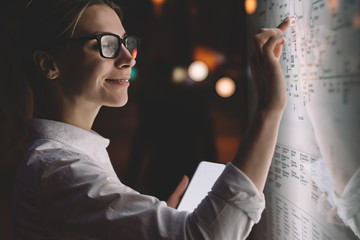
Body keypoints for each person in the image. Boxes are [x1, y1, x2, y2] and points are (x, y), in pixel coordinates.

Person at [12, 0, 290, 239]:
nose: (128, 59)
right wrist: (270, 108)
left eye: (125, 43)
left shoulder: (64, 161)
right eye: (106, 44)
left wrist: (154, 227)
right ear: (49, 64)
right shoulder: (60, 173)